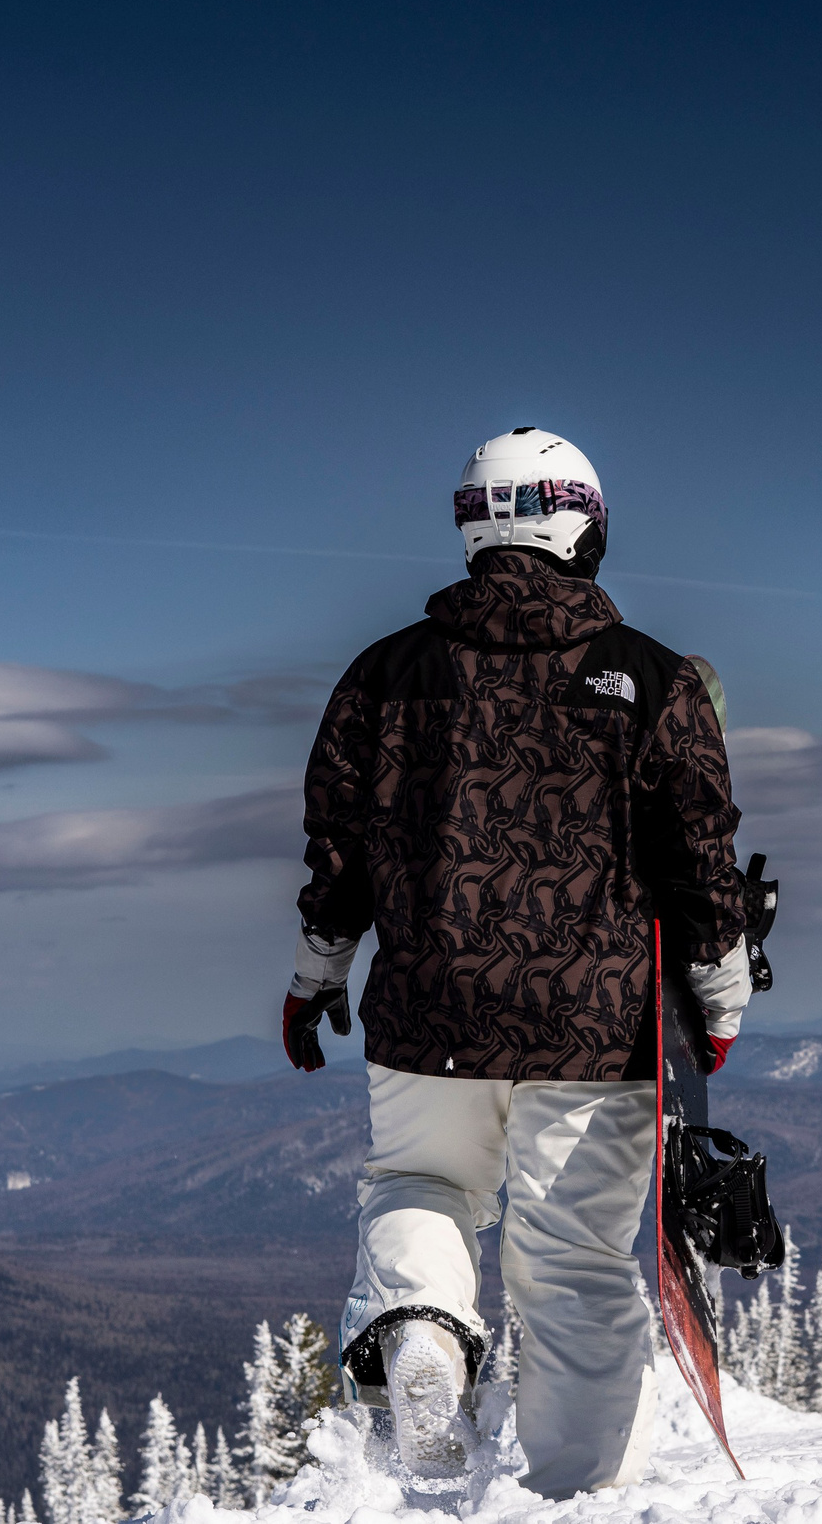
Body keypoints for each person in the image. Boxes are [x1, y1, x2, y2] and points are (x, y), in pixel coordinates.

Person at [281, 427, 754, 1497]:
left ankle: (422, 1333)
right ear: (584, 523)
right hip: (596, 1025)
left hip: (426, 1009)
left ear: (472, 527)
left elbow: (338, 851)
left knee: (421, 1184)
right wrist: (718, 1002)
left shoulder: (384, 674)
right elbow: (701, 858)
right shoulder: (654, 678)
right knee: (574, 1259)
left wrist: (315, 977)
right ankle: (576, 1493)